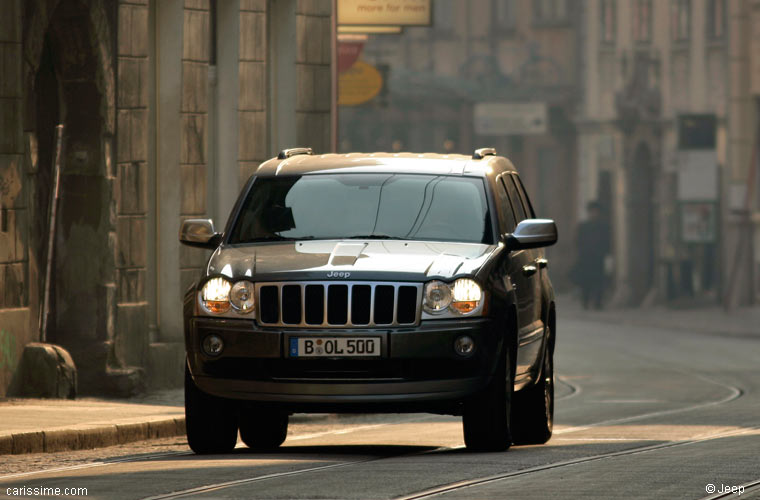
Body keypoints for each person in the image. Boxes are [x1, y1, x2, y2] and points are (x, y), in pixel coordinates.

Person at [573, 201, 610, 309]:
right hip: (585, 259)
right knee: (586, 282)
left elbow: (607, 243)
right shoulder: (583, 227)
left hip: (599, 259)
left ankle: (598, 303)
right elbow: (577, 242)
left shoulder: (603, 227)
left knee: (598, 281)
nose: (594, 214)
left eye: (596, 212)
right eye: (592, 211)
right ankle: (586, 302)